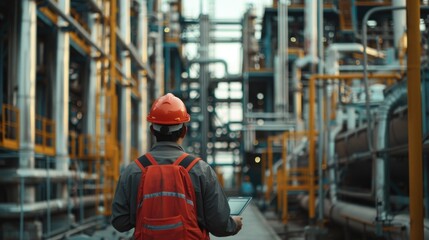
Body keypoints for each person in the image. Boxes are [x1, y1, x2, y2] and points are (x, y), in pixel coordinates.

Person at [111, 93, 243, 238]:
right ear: (184, 131)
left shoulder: (133, 171)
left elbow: (120, 222)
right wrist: (234, 224)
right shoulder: (201, 170)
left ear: (152, 130)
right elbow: (219, 226)